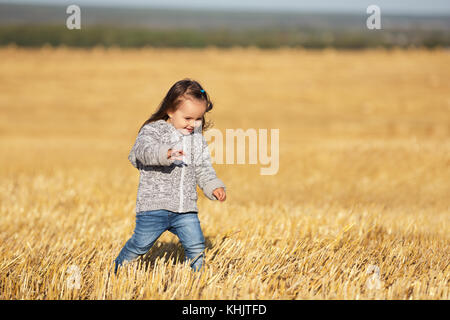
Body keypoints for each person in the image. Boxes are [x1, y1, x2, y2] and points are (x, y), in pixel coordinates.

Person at [114, 78, 226, 275]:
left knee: (196, 247)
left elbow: (203, 168)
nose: (194, 124)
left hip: (185, 209)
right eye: (188, 118)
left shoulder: (197, 141)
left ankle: (196, 280)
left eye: (198, 119)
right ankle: (116, 270)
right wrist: (165, 153)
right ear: (170, 111)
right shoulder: (154, 130)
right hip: (153, 206)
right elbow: (141, 152)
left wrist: (213, 186)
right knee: (139, 246)